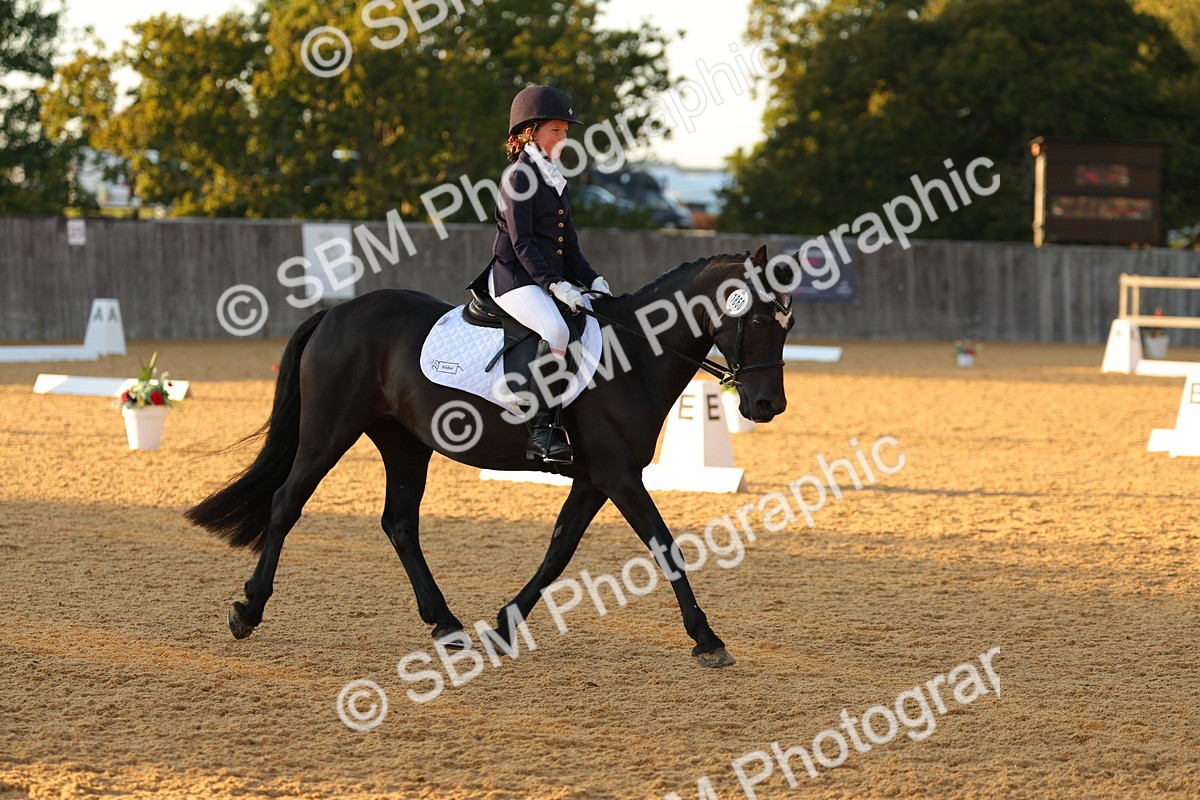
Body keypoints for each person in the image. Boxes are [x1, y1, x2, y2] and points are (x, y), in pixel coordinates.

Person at [467, 85, 611, 464]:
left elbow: (570, 248)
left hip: (544, 278)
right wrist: (556, 284)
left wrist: (593, 280)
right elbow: (522, 243)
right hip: (513, 279)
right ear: (529, 133)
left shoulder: (553, 178)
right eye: (556, 131)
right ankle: (542, 431)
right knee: (557, 330)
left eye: (565, 132)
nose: (564, 139)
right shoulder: (518, 177)